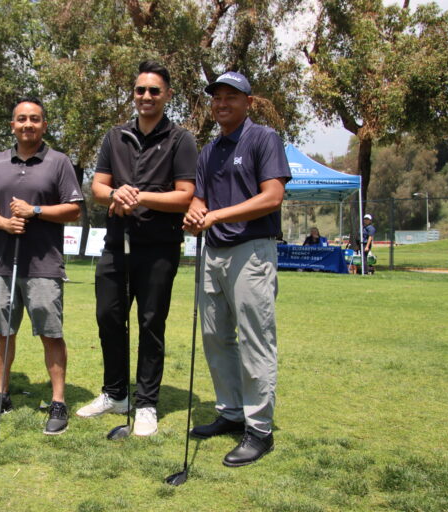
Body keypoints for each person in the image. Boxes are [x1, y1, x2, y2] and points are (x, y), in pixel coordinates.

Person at [76, 61, 197, 436]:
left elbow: (185, 195)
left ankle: (145, 403)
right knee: (109, 317)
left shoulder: (181, 139)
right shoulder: (115, 137)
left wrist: (139, 195)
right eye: (141, 90)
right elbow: (97, 188)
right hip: (116, 243)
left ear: (167, 96)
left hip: (158, 247)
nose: (146, 97)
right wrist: (115, 193)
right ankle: (115, 393)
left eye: (154, 91)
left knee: (150, 323)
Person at [183, 71, 291, 466]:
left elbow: (272, 197)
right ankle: (230, 412)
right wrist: (196, 213)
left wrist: (215, 215)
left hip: (252, 250)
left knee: (255, 339)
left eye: (232, 97)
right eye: (217, 98)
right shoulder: (209, 150)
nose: (222, 103)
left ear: (248, 102)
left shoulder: (264, 138)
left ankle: (259, 429)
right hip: (214, 251)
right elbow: (199, 198)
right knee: (215, 337)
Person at [0, 97, 83, 435]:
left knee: (50, 333)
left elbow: (73, 209)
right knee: (3, 333)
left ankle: (58, 401)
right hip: (4, 264)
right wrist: (4, 224)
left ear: (44, 125)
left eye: (35, 119)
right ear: (13, 125)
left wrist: (34, 211)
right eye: (22, 119)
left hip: (44, 265)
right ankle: (0, 395)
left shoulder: (59, 162)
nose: (28, 124)